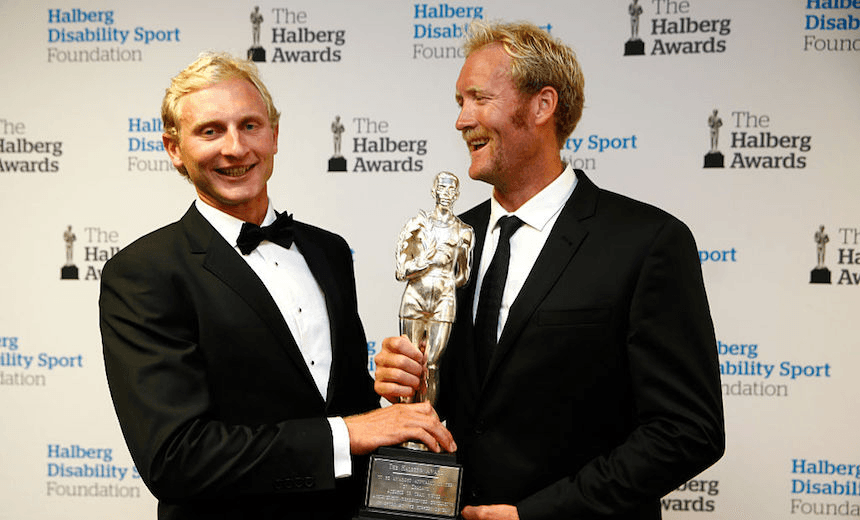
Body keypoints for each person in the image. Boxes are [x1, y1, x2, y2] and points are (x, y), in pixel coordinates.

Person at [374, 22, 725, 520]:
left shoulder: (646, 243)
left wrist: (539, 514)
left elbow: (688, 430)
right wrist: (405, 379)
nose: (461, 120)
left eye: (478, 98)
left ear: (542, 105)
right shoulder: (452, 238)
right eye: (459, 102)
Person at [99, 52, 454, 520]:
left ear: (275, 135)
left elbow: (347, 407)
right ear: (173, 148)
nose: (235, 148)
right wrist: (350, 433)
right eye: (210, 131)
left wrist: (391, 394)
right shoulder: (145, 272)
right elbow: (177, 458)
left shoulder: (327, 251)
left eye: (250, 126)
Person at [395, 171, 473, 409]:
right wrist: (422, 266)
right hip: (415, 297)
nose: (446, 194)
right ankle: (403, 428)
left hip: (444, 300)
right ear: (433, 190)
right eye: (442, 188)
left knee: (431, 364)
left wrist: (444, 283)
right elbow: (401, 270)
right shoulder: (417, 225)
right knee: (409, 363)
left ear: (457, 194)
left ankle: (424, 426)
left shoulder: (464, 231)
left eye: (452, 189)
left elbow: (463, 275)